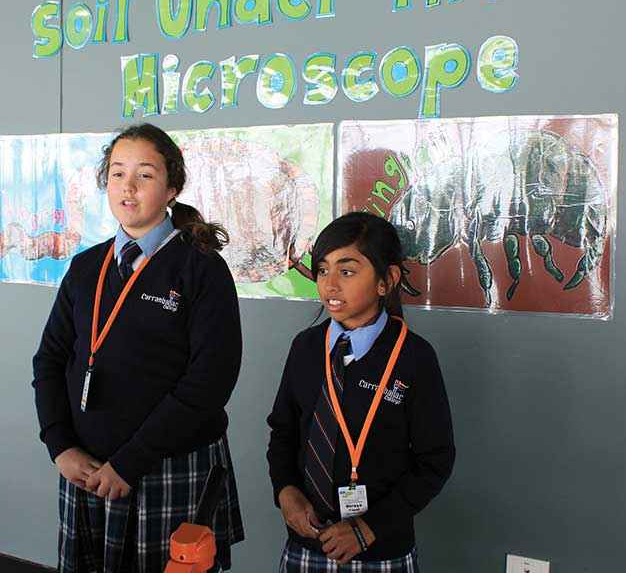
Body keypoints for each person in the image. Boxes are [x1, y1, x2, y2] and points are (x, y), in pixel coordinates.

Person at [32, 123, 244, 573]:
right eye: (116, 173)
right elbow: (50, 358)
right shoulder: (87, 266)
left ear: (172, 187)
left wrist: (130, 462)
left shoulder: (200, 268)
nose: (128, 187)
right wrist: (59, 445)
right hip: (86, 471)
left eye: (145, 175)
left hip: (165, 469)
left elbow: (209, 383)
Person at [267, 212, 455, 571]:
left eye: (347, 271)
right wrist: (285, 491)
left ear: (387, 280)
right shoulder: (306, 348)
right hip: (307, 544)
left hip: (380, 549)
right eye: (323, 270)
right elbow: (283, 432)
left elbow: (435, 462)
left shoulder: (414, 358)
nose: (330, 285)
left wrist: (369, 529)